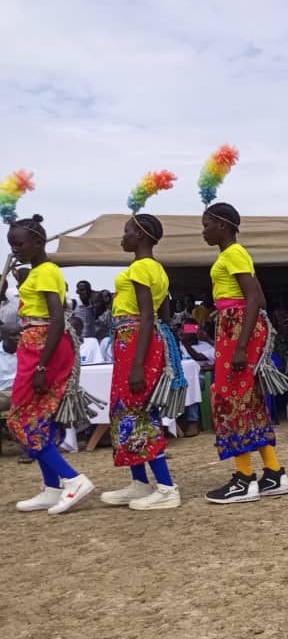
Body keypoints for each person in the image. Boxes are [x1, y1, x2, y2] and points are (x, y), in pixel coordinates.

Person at [6, 214, 98, 514]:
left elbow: (56, 319)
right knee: (38, 419)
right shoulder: (35, 273)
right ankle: (52, 488)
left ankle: (73, 479)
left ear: (38, 242)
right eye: (11, 244)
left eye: (20, 244)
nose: (15, 249)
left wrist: (43, 367)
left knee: (20, 419)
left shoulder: (46, 272)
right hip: (35, 344)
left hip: (44, 349)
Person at [202, 202, 288, 503]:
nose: (203, 231)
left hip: (237, 332)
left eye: (207, 225)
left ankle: (243, 479)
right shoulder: (229, 256)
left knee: (231, 400)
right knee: (247, 401)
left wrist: (241, 345)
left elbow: (255, 297)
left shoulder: (234, 254)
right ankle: (274, 473)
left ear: (222, 225)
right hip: (232, 327)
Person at [98, 213, 181, 510]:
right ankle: (139, 483)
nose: (123, 237)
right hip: (133, 340)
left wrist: (138, 364)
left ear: (142, 236)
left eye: (127, 231)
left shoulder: (141, 268)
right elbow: (165, 313)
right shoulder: (156, 268)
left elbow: (148, 316)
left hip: (136, 342)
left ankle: (167, 488)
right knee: (126, 410)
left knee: (138, 411)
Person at [0, 323, 18, 412]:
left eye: (20, 334)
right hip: (2, 393)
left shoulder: (28, 351)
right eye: (14, 335)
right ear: (2, 337)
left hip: (22, 391)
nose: (18, 337)